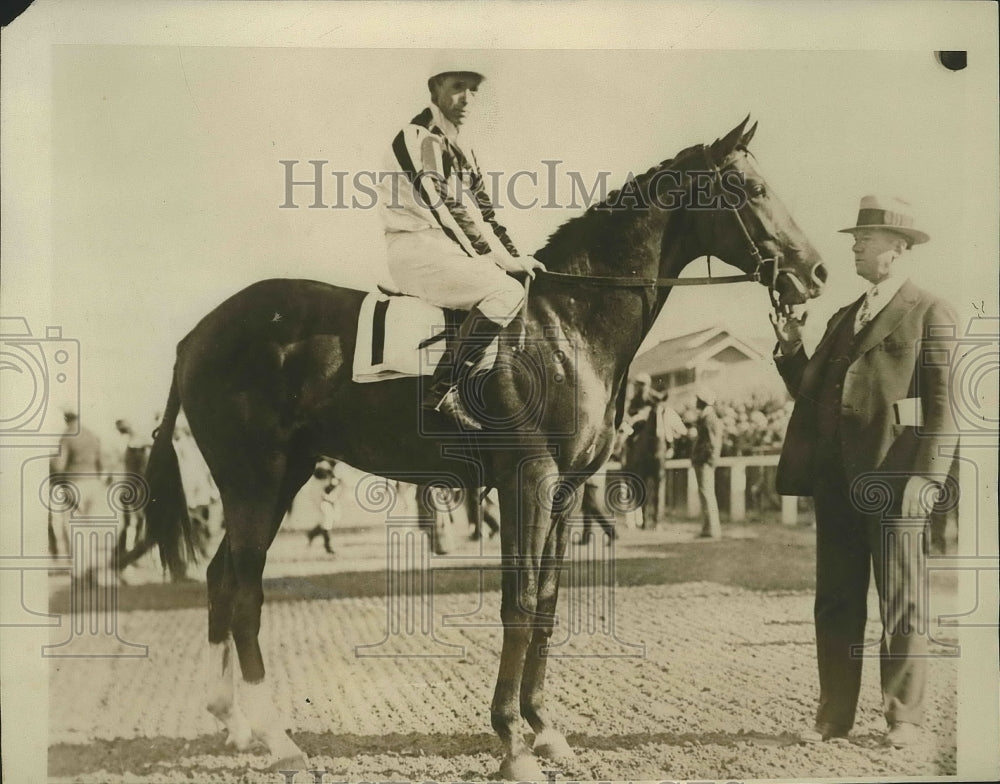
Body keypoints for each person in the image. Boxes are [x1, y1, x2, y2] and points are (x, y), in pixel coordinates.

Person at [770, 195, 958, 749]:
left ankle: (903, 719)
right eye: (856, 238)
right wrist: (789, 350)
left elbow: (946, 408)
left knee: (901, 602)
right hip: (837, 484)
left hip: (897, 484)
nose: (854, 245)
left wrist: (927, 479)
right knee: (836, 601)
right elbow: (813, 396)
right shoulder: (842, 317)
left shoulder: (930, 311)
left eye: (865, 238)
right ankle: (833, 718)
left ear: (897, 250)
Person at [379, 59, 545, 430]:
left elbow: (485, 212)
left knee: (516, 283)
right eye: (457, 86)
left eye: (473, 89)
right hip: (416, 247)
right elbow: (444, 207)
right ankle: (443, 390)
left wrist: (516, 256)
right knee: (505, 292)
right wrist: (496, 261)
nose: (467, 98)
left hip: (447, 247)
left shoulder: (463, 147)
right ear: (435, 87)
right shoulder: (417, 137)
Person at [49, 408, 103, 559]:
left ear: (66, 418)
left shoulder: (67, 436)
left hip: (75, 483)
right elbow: (101, 463)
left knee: (74, 525)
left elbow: (59, 465)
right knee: (89, 524)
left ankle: (81, 566)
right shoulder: (91, 435)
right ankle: (92, 561)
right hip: (93, 483)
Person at [114, 418, 151, 556]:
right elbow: (140, 469)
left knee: (131, 520)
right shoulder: (133, 446)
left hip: (129, 485)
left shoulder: (126, 444)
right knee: (135, 519)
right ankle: (130, 548)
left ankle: (127, 548)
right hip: (132, 485)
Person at [691, 388, 723, 539]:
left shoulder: (709, 418)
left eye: (699, 400)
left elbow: (711, 443)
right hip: (705, 461)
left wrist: (702, 459)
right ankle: (709, 527)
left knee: (706, 493)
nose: (696, 402)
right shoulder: (708, 417)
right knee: (706, 493)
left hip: (705, 462)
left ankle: (711, 529)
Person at [576, 463, 617, 545]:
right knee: (587, 511)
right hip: (591, 479)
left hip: (591, 480)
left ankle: (611, 531)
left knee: (592, 508)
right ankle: (586, 537)